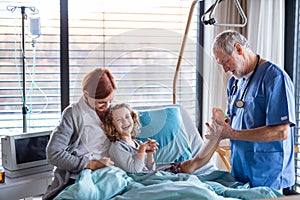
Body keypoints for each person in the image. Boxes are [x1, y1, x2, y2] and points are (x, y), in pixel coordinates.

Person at [209, 30, 296, 191]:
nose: (225, 69)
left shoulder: (275, 78)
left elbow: (281, 132)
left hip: (269, 177)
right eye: (220, 64)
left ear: (238, 49)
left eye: (226, 62)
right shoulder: (234, 83)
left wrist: (232, 133)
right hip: (240, 173)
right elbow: (239, 118)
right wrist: (222, 127)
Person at [43, 68, 117, 200]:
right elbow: (53, 153)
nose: (107, 105)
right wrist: (92, 164)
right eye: (101, 102)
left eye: (110, 100)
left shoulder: (113, 111)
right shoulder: (73, 114)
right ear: (86, 95)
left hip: (109, 174)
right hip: (80, 176)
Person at [102, 103, 222, 174]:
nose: (125, 122)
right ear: (112, 125)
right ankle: (215, 137)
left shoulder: (136, 142)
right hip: (149, 179)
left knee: (191, 164)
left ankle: (216, 137)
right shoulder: (117, 147)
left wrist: (149, 154)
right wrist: (143, 149)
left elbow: (150, 168)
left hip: (160, 173)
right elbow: (135, 171)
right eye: (118, 120)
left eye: (127, 117)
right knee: (191, 166)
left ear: (133, 118)